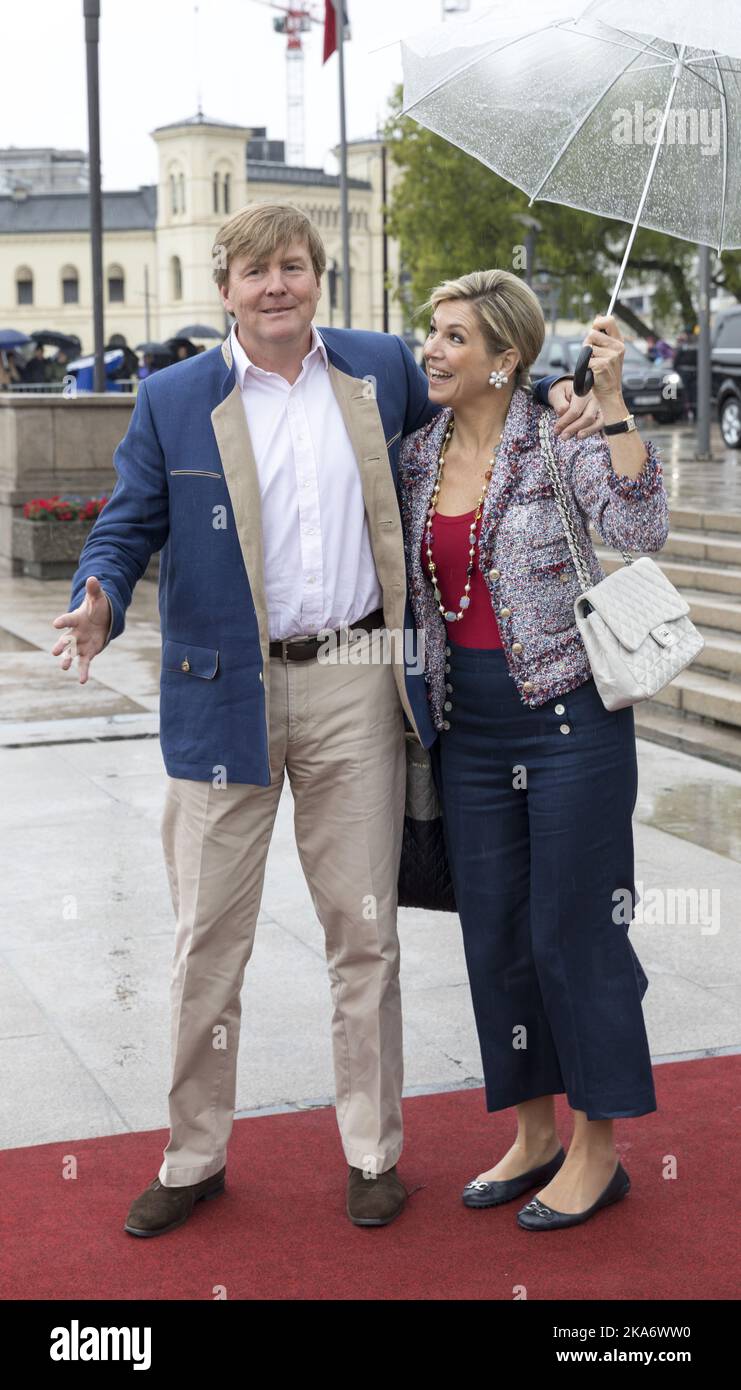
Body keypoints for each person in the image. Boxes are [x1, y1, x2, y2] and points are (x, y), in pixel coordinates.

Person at [51, 203, 601, 1238]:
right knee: (207, 943)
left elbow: (488, 389)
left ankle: (373, 1151)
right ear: (226, 286)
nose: (278, 287)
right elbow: (127, 523)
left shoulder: (380, 366)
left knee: (365, 932)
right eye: (257, 271)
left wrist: (579, 404)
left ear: (318, 279)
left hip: (356, 674)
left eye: (294, 268)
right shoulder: (173, 398)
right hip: (224, 693)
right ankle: (193, 1153)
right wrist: (96, 599)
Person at [399, 269, 668, 1232]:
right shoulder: (415, 453)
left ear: (504, 358)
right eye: (432, 332)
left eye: (455, 337)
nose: (432, 348)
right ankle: (532, 1131)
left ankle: (598, 1149)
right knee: (498, 940)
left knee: (575, 935)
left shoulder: (557, 441)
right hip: (466, 732)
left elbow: (640, 526)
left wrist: (611, 405)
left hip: (570, 724)